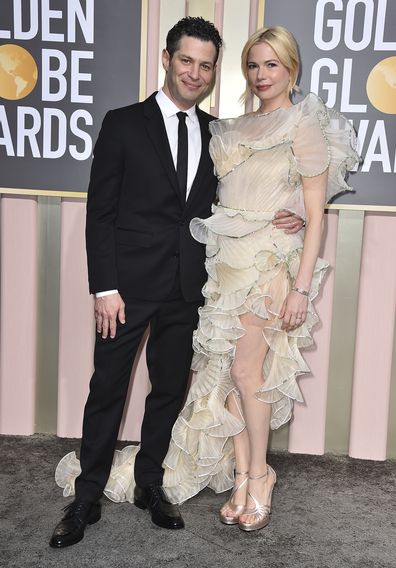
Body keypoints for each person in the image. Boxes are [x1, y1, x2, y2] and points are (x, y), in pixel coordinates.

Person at [50, 18, 303, 548]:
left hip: (189, 288)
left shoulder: (218, 134)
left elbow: (241, 201)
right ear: (167, 59)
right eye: (186, 60)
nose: (195, 72)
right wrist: (104, 287)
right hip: (126, 290)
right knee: (108, 391)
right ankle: (87, 496)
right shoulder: (122, 123)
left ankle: (149, 485)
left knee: (167, 391)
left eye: (206, 65)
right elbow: (101, 213)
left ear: (213, 72)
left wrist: (294, 213)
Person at [160, 26, 359, 531]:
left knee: (248, 374)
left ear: (291, 68)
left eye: (271, 64)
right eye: (253, 65)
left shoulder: (303, 126)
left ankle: (261, 475)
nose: (261, 75)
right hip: (225, 262)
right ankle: (248, 474)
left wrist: (299, 288)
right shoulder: (231, 127)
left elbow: (316, 217)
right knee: (231, 374)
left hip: (268, 265)